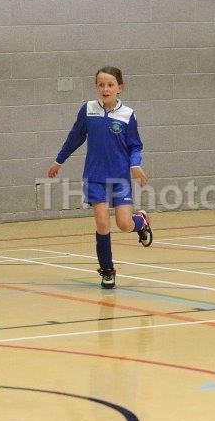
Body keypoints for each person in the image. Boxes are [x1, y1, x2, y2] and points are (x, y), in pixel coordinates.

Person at [48, 66, 152, 289]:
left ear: (120, 88)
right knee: (102, 223)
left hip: (120, 179)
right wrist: (59, 160)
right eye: (101, 85)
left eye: (110, 85)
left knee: (124, 224)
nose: (105, 89)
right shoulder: (88, 110)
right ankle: (107, 270)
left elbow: (135, 145)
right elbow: (75, 137)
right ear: (96, 87)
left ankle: (141, 221)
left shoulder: (128, 115)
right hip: (95, 177)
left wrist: (135, 165)